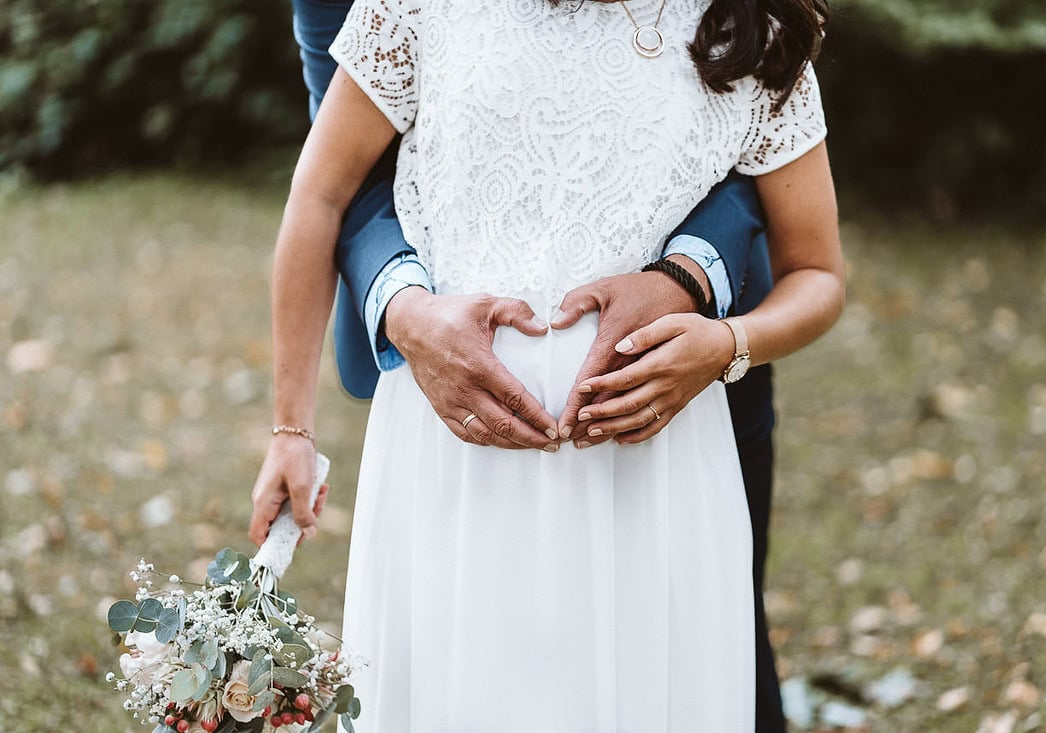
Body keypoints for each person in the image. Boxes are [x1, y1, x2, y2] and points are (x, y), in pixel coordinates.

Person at [250, 0, 843, 730]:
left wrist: (727, 344)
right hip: (452, 455)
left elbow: (817, 270)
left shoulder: (750, 30)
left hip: (651, 466)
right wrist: (291, 428)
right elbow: (322, 193)